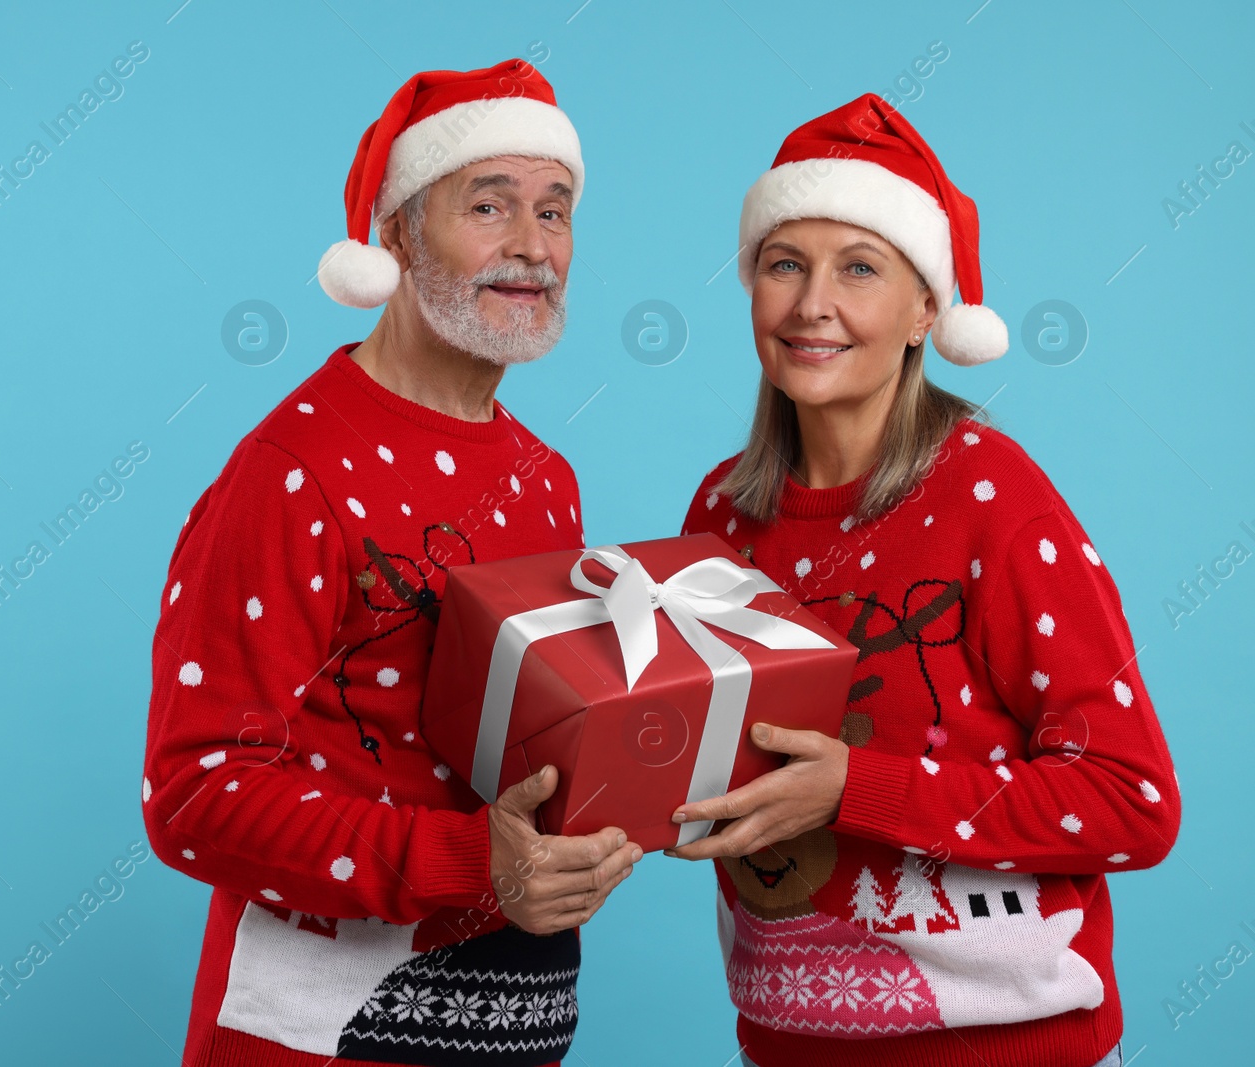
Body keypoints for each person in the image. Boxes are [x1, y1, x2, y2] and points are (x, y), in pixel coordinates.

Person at [142, 59, 640, 1067]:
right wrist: (472, 860)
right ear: (400, 232)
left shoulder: (550, 477)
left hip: (515, 1027)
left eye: (554, 212)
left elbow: (533, 752)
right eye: (488, 206)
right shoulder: (290, 471)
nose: (530, 247)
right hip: (318, 1038)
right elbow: (195, 790)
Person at [672, 94, 1179, 1067]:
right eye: (784, 264)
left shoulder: (994, 497)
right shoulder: (719, 516)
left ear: (924, 309)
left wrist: (854, 788)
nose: (811, 303)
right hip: (784, 1043)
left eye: (858, 268)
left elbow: (1131, 799)